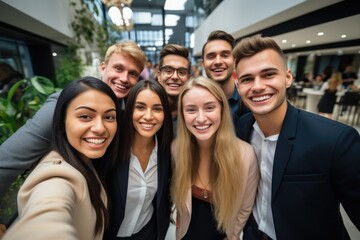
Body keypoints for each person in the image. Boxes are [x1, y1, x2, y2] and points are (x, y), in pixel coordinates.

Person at [233, 34, 360, 240]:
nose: (257, 86)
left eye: (268, 74)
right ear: (239, 86)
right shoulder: (241, 128)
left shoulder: (334, 139)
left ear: (288, 78)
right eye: (247, 79)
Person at [0, 40, 147, 200]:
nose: (124, 78)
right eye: (118, 68)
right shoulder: (64, 104)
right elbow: (8, 160)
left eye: (132, 73)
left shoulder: (126, 110)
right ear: (103, 67)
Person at [2, 77, 121, 239]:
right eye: (85, 116)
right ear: (62, 122)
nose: (100, 128)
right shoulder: (58, 176)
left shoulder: (86, 159)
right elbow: (48, 213)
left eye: (109, 117)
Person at [171, 76, 259, 240]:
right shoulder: (176, 150)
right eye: (191, 110)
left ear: (222, 109)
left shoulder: (246, 155)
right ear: (182, 115)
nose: (201, 118)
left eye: (209, 108)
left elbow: (245, 207)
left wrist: (232, 234)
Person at [103, 80, 173, 239]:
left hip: (147, 232)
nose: (148, 116)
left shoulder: (166, 152)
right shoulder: (111, 148)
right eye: (140, 107)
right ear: (129, 110)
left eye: (157, 109)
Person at [201, 30, 249, 124]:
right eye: (211, 57)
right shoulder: (195, 102)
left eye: (225, 55)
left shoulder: (248, 102)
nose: (218, 61)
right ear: (203, 64)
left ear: (234, 61)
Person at [157, 43, 191, 132]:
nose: (175, 77)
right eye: (168, 71)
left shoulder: (195, 115)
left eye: (182, 72)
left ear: (188, 78)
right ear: (159, 76)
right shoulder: (147, 112)